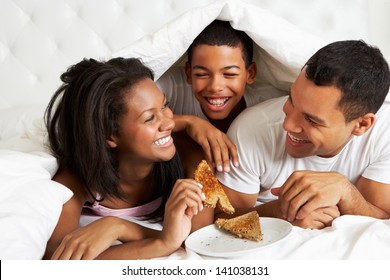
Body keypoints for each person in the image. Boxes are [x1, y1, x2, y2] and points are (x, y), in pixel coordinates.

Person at [212, 40, 390, 229]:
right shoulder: (251, 131)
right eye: (291, 100)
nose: (288, 125)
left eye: (312, 120)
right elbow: (221, 218)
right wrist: (280, 213)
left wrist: (346, 192)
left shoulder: (384, 134)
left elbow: (383, 218)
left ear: (362, 124)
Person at [43, 57, 205, 260]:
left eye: (165, 106)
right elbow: (58, 258)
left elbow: (200, 240)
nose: (169, 123)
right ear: (110, 135)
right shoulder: (78, 179)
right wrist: (161, 242)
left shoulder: (191, 155)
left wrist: (119, 227)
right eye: (149, 118)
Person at [157, 20, 286, 175]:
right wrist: (188, 123)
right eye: (201, 74)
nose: (215, 87)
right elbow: (126, 111)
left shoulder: (269, 103)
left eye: (229, 74)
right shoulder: (171, 86)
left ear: (250, 74)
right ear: (188, 73)